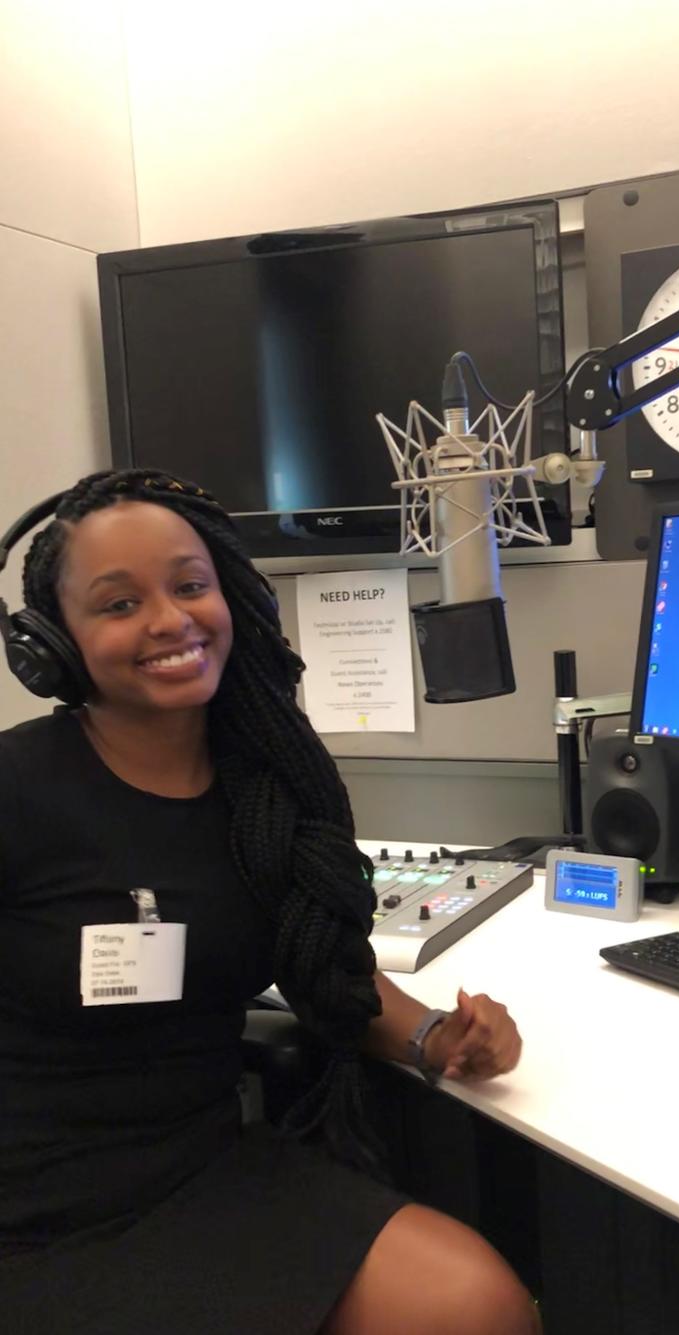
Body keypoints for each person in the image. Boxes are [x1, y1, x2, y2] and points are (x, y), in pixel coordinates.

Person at [0, 468, 541, 1335]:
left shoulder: (269, 793)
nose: (171, 620)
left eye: (189, 585)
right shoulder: (19, 785)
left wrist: (438, 1035)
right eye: (118, 602)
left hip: (203, 1165)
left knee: (475, 1303)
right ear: (51, 642)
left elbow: (327, 973)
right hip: (26, 1204)